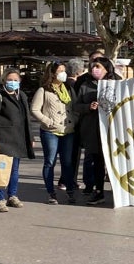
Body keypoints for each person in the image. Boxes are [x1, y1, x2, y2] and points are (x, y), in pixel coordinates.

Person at [0, 68, 36, 212]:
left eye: (15, 80)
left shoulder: (22, 96)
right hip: (4, 138)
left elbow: (27, 119)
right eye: (10, 80)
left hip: (18, 138)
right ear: (4, 80)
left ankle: (12, 196)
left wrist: (30, 137)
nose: (13, 82)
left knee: (14, 170)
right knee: (1, 170)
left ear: (19, 81)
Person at [31, 61, 79, 205]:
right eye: (60, 71)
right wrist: (48, 121)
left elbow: (75, 107)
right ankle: (51, 193)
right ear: (52, 73)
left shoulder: (69, 89)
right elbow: (34, 110)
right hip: (50, 132)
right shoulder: (44, 90)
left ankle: (70, 190)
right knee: (50, 162)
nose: (63, 73)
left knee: (68, 163)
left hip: (68, 131)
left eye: (64, 70)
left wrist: (74, 120)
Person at [75, 57, 120, 205]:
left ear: (107, 69)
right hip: (92, 130)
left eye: (98, 66)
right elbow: (76, 106)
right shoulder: (85, 85)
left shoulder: (117, 84)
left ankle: (120, 191)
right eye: (93, 66)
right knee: (98, 162)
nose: (95, 69)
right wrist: (88, 107)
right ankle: (99, 191)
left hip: (113, 130)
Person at [57, 58, 85, 191]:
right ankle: (67, 180)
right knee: (72, 155)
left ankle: (68, 180)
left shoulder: (63, 83)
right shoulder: (76, 84)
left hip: (64, 122)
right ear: (80, 71)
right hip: (74, 123)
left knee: (68, 154)